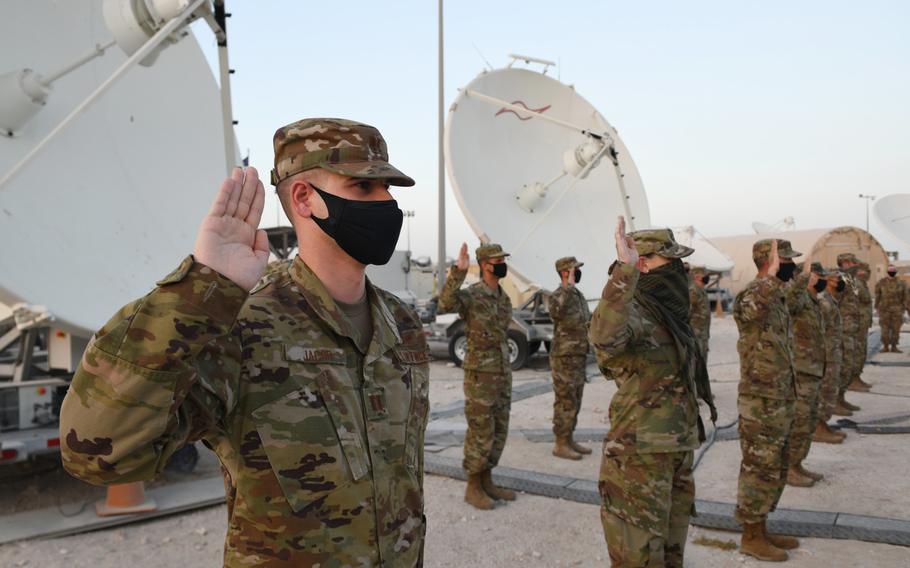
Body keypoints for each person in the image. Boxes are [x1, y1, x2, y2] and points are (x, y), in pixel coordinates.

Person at [59, 118, 430, 566]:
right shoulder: (240, 326)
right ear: (304, 198)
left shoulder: (402, 323)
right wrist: (199, 290)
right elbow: (97, 453)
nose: (387, 202)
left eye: (389, 188)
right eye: (364, 187)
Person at [590, 218, 716, 568]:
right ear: (643, 264)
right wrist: (623, 273)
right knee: (639, 559)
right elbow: (603, 336)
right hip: (639, 455)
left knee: (670, 554)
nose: (679, 268)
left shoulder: (669, 314)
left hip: (676, 450)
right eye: (670, 261)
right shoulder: (633, 312)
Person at [733, 239, 802, 562]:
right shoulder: (752, 294)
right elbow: (753, 308)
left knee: (775, 465)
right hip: (759, 401)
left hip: (779, 396)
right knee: (759, 467)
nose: (791, 266)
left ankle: (761, 526)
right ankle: (750, 535)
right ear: (769, 261)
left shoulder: (776, 297)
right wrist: (770, 276)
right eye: (786, 261)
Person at [438, 242, 516, 509]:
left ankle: (487, 479)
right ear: (485, 265)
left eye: (503, 259)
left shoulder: (504, 299)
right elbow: (445, 303)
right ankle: (473, 485)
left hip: (502, 373)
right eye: (498, 260)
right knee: (481, 430)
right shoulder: (472, 295)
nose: (502, 264)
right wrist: (457, 273)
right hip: (480, 376)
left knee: (499, 429)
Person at [784, 263, 828, 487]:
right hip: (801, 371)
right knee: (799, 421)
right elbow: (789, 303)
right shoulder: (799, 300)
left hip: (814, 369)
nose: (822, 279)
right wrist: (801, 281)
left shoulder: (814, 302)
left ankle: (798, 462)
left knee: (809, 421)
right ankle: (789, 467)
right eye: (818, 275)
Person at [548, 256, 592, 460]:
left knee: (576, 400)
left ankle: (569, 438)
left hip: (578, 356)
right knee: (565, 401)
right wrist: (567, 288)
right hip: (563, 357)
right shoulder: (558, 295)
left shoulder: (578, 295)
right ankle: (560, 443)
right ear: (565, 272)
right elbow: (555, 312)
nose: (578, 272)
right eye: (575, 269)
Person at [834, 253, 864, 412]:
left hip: (851, 328)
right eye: (852, 263)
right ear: (844, 263)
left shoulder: (850, 280)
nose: (855, 265)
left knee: (849, 366)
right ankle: (835, 402)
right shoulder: (839, 278)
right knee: (843, 366)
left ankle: (841, 398)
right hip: (842, 330)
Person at [849, 263, 874, 391]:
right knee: (857, 352)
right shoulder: (856, 283)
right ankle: (853, 380)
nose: (867, 273)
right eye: (865, 270)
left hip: (862, 323)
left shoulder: (861, 283)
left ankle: (856, 378)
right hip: (857, 323)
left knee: (861, 351)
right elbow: (861, 299)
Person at [875, 264, 908, 352]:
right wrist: (876, 307)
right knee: (884, 329)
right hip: (884, 310)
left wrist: (906, 308)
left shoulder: (902, 283)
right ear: (887, 271)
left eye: (893, 270)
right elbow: (878, 295)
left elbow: (906, 297)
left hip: (897, 310)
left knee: (896, 329)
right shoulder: (881, 282)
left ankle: (894, 346)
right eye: (890, 270)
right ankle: (885, 346)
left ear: (895, 271)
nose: (891, 272)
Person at [688, 266, 712, 361]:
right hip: (695, 335)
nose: (707, 277)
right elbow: (687, 313)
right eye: (705, 275)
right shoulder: (693, 291)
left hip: (702, 335)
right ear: (697, 276)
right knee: (696, 363)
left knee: (702, 362)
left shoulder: (701, 291)